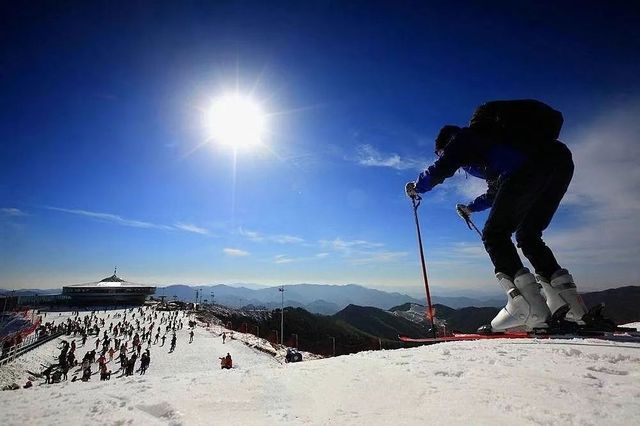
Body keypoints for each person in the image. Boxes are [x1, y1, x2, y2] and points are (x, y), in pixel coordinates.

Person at [406, 99, 588, 332]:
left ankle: (528, 309)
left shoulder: (465, 139)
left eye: (440, 151)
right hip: (559, 161)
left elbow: (442, 167)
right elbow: (497, 192)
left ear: (446, 143)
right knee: (529, 235)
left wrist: (417, 187)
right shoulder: (499, 145)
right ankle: (571, 307)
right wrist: (471, 208)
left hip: (531, 167)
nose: (447, 157)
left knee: (495, 234)